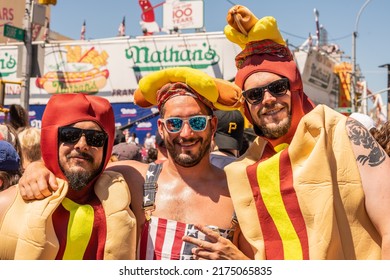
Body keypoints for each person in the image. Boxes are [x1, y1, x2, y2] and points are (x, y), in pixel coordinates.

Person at [18, 67, 252, 260]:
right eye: (174, 124)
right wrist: (37, 168)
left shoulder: (239, 193)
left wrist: (240, 263)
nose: (186, 133)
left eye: (198, 122)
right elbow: (77, 169)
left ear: (212, 126)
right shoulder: (132, 178)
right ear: (161, 128)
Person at [222, 5, 390, 260]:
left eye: (278, 87)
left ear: (296, 89)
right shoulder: (246, 167)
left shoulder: (345, 134)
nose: (267, 99)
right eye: (254, 95)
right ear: (246, 106)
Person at [0, 93, 137, 260]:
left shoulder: (130, 194)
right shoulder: (7, 205)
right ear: (52, 139)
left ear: (106, 147)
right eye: (70, 135)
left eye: (95, 138)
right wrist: (36, 166)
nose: (82, 145)